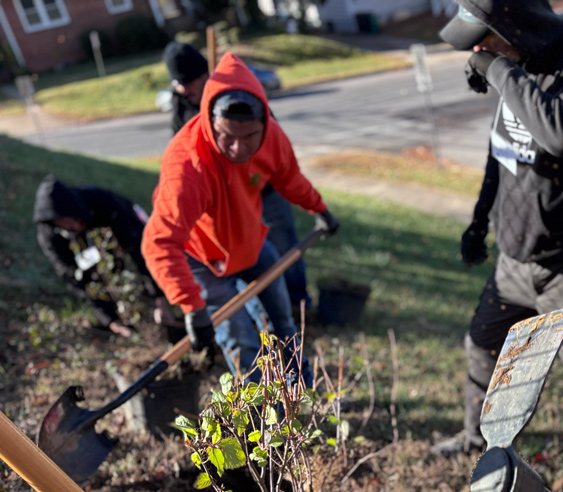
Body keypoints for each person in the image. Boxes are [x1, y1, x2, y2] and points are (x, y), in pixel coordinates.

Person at [432, 0, 563, 458]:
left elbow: (561, 134)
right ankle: (478, 442)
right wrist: (479, 221)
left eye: (484, 37)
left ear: (516, 25)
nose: (479, 50)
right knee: (483, 348)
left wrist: (500, 71)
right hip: (513, 263)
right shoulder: (515, 67)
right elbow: (501, 152)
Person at [142, 53, 338, 385]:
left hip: (249, 242)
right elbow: (158, 242)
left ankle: (300, 392)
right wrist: (191, 306)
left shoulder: (271, 137)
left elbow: (289, 179)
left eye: (249, 137)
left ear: (264, 121)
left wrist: (319, 209)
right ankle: (264, 419)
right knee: (240, 343)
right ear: (209, 122)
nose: (238, 148)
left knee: (282, 320)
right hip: (204, 256)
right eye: (227, 136)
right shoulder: (188, 167)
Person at [162, 41, 313, 315]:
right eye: (178, 84)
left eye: (188, 82)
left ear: (202, 75)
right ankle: (267, 318)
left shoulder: (240, 95)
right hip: (226, 203)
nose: (184, 90)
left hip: (261, 190)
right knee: (249, 264)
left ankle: (299, 304)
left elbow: (268, 146)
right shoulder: (183, 104)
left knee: (283, 247)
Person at [33, 175, 168, 338]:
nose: (75, 226)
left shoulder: (103, 203)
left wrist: (160, 298)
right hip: (102, 262)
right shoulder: (50, 236)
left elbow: (140, 249)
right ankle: (120, 312)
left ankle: (152, 298)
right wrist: (110, 320)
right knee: (94, 274)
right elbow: (72, 275)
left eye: (76, 219)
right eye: (67, 224)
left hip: (128, 229)